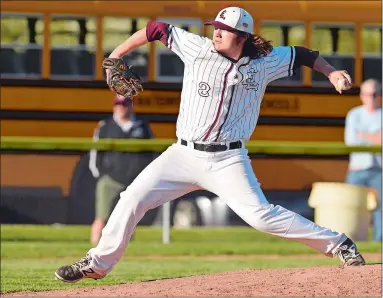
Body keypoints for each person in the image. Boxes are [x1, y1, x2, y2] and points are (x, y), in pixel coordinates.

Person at [55, 7, 366, 283]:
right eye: (216, 26)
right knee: (131, 198)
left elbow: (304, 54)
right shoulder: (197, 48)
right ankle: (96, 264)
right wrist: (117, 55)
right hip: (182, 154)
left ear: (241, 36)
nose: (217, 32)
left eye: (225, 29)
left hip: (228, 159)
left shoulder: (265, 62)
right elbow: (155, 29)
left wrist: (332, 72)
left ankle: (339, 244)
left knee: (261, 217)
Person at [89, 95, 155, 245]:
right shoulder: (105, 126)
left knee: (129, 218)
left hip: (134, 180)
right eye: (118, 104)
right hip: (110, 179)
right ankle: (93, 250)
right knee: (101, 217)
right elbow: (95, 152)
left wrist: (145, 176)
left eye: (125, 104)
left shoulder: (141, 126)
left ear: (131, 105)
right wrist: (100, 174)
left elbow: (152, 152)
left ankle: (127, 250)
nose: (121, 107)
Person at [344, 79, 382, 242]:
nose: (370, 98)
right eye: (367, 94)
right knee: (351, 207)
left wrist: (362, 135)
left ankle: (378, 241)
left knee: (380, 207)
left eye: (374, 94)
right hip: (357, 168)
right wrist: (374, 137)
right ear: (361, 95)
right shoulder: (354, 114)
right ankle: (351, 241)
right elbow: (351, 141)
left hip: (379, 169)